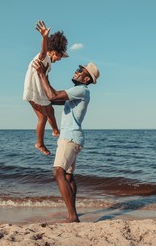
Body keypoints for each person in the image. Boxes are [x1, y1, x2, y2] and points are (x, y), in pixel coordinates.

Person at [33, 59, 100, 222]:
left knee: (58, 172)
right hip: (73, 138)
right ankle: (73, 212)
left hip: (69, 139)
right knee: (68, 176)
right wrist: (45, 77)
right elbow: (54, 99)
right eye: (78, 68)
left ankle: (72, 216)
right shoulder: (77, 91)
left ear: (86, 79)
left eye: (80, 70)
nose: (76, 71)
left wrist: (41, 73)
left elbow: (52, 95)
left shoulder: (82, 90)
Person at [23, 20, 69, 156]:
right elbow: (43, 52)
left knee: (50, 109)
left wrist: (53, 92)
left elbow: (46, 80)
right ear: (54, 52)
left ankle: (55, 130)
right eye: (60, 56)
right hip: (32, 90)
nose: (60, 59)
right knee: (42, 117)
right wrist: (44, 37)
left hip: (40, 90)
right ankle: (40, 143)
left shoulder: (49, 64)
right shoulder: (44, 58)